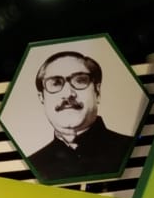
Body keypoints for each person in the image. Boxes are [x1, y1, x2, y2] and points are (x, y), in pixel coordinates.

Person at [28, 51, 134, 182]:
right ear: (42, 98)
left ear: (97, 91)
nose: (68, 94)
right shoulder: (32, 165)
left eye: (80, 81)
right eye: (55, 83)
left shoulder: (132, 150)